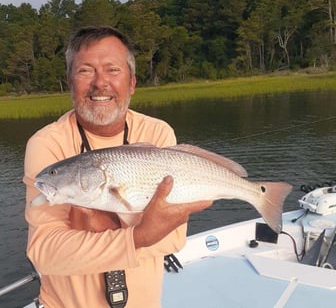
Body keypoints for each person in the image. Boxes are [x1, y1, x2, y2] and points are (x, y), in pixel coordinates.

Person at [24, 26, 212, 308]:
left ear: (132, 82)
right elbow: (46, 252)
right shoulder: (47, 145)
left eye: (113, 70)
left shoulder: (157, 134)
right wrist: (139, 234)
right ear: (70, 81)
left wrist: (106, 225)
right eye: (85, 71)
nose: (100, 84)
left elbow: (172, 239)